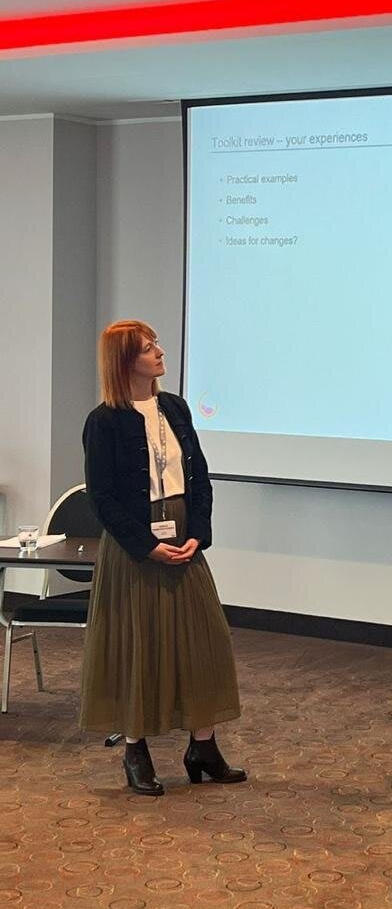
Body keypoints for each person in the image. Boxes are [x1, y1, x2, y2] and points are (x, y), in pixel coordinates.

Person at [80, 320, 245, 795]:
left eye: (156, 345)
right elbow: (102, 497)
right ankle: (136, 751)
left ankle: (203, 747)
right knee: (139, 645)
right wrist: (146, 545)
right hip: (135, 548)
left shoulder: (175, 408)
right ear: (124, 362)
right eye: (148, 348)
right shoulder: (104, 420)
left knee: (204, 641)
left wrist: (199, 535)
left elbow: (200, 478)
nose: (159, 352)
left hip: (183, 536)